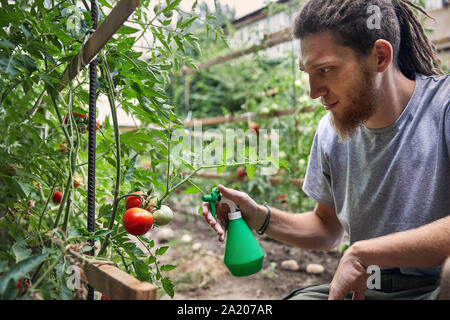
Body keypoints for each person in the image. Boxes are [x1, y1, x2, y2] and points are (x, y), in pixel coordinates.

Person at [202, 0, 450, 300]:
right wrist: (258, 216)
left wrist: (361, 253)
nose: (313, 92)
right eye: (307, 72)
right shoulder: (330, 132)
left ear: (380, 57)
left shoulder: (444, 107)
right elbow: (326, 227)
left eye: (326, 70)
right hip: (369, 290)